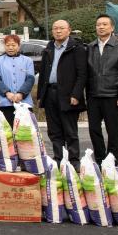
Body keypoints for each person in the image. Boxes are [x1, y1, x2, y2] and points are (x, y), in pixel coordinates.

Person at [36, 19, 88, 170]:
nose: (58, 31)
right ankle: (59, 159)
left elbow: (82, 74)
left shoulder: (76, 48)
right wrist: (40, 95)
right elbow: (43, 72)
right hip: (50, 93)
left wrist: (76, 94)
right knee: (54, 131)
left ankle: (74, 160)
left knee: (70, 130)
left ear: (69, 30)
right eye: (55, 28)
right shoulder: (49, 48)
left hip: (68, 95)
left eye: (61, 28)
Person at [87, 14, 118, 164]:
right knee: (94, 129)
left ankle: (112, 161)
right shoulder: (90, 47)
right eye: (98, 24)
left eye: (105, 24)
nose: (101, 27)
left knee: (113, 131)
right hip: (93, 95)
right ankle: (100, 160)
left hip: (112, 95)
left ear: (112, 28)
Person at [0, 35, 35, 123]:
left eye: (13, 45)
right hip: (5, 103)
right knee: (6, 130)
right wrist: (7, 93)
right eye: (8, 45)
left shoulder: (28, 61)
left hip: (24, 103)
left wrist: (21, 94)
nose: (10, 48)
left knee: (25, 130)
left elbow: (30, 79)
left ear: (19, 46)